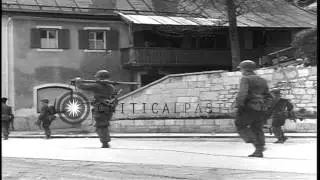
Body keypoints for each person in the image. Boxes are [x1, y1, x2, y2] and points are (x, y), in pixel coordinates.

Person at [234, 60, 273, 158]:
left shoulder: (245, 79)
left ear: (244, 69)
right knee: (257, 128)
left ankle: (255, 143)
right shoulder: (262, 80)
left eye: (241, 69)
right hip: (261, 108)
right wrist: (265, 107)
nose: (241, 71)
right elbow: (268, 96)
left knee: (240, 125)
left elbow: (243, 93)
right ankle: (259, 150)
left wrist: (239, 105)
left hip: (248, 107)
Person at [73, 70, 117, 148]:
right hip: (108, 108)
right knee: (103, 125)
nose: (96, 78)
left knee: (100, 126)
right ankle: (105, 141)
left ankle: (105, 142)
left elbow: (82, 86)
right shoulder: (111, 87)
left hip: (100, 108)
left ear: (100, 78)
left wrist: (78, 81)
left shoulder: (97, 86)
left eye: (97, 77)